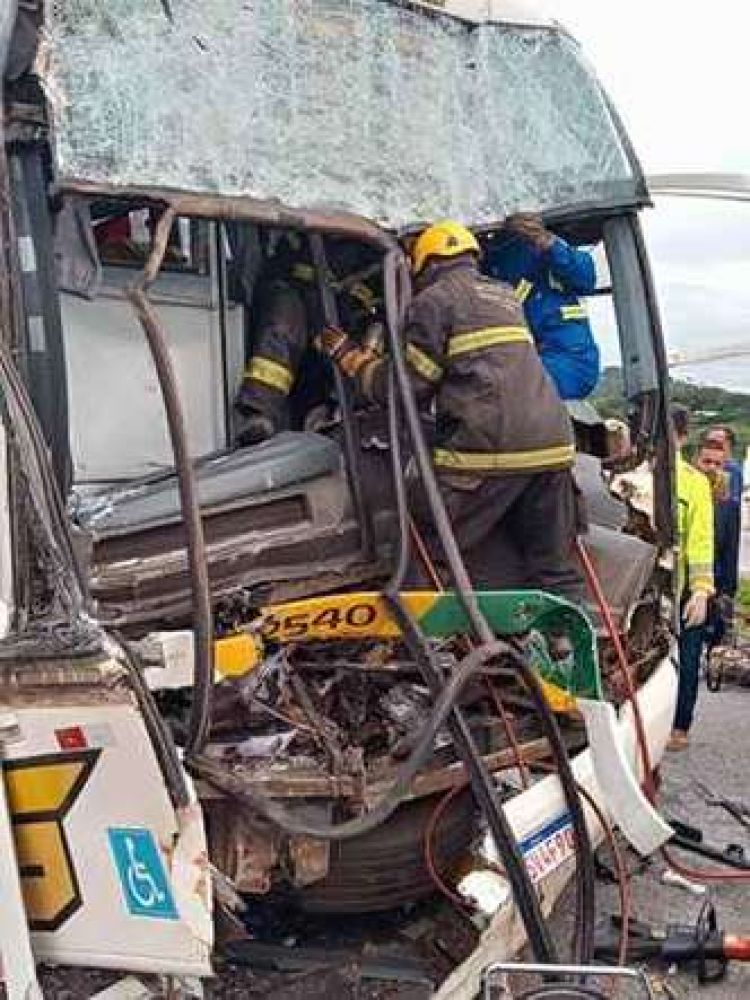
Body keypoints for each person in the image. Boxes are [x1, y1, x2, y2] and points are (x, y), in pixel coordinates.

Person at [317, 220, 585, 602]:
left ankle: (425, 638)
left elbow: (403, 390)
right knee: (554, 568)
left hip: (490, 448)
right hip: (554, 446)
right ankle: (563, 644)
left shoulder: (434, 301)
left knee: (425, 538)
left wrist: (351, 358)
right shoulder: (505, 294)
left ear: (423, 263)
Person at [234, 234, 381, 445]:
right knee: (283, 324)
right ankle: (259, 413)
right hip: (297, 296)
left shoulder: (375, 244)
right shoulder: (308, 227)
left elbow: (382, 308)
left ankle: (339, 418)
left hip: (349, 317)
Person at [484, 213, 600, 400]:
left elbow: (585, 278)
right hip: (516, 362)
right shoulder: (486, 261)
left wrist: (545, 241)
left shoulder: (546, 247)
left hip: (566, 359)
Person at [669, 405, 715, 751]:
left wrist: (701, 591)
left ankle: (680, 725)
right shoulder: (630, 475)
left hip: (681, 589)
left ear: (682, 437)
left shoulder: (694, 484)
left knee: (687, 657)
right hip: (640, 588)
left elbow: (700, 540)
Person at [701, 425, 743, 647]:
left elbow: (726, 527)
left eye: (719, 443)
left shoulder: (731, 474)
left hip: (717, 562)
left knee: (716, 616)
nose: (714, 446)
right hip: (703, 563)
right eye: (710, 442)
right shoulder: (696, 477)